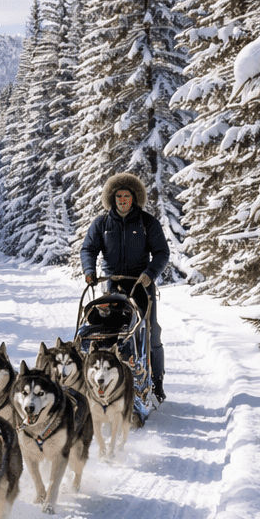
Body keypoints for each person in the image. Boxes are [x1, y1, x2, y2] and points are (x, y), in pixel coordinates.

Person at [80, 172, 169, 402]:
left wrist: (149, 274)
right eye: (118, 196)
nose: (123, 200)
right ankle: (109, 376)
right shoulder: (101, 223)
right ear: (112, 198)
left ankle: (156, 381)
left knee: (150, 331)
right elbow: (88, 249)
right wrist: (90, 271)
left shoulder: (147, 222)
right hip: (112, 285)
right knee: (110, 330)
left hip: (141, 285)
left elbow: (161, 253)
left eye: (127, 196)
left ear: (134, 198)